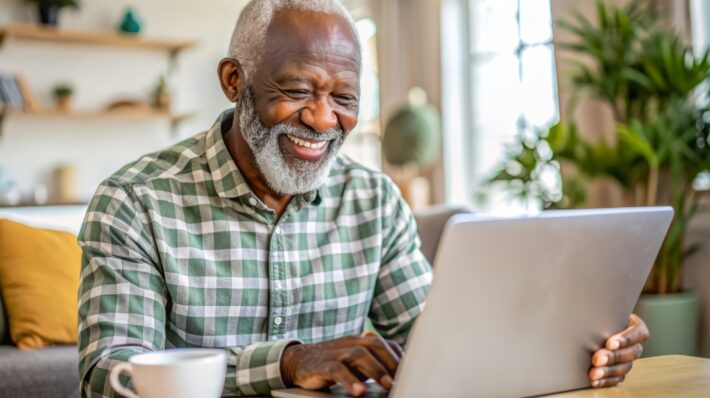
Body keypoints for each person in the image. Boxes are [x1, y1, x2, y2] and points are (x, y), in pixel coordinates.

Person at [77, 0, 649, 396]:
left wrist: (587, 347)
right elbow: (107, 376)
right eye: (297, 90)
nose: (323, 120)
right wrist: (288, 362)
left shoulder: (374, 201)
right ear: (234, 80)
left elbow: (436, 342)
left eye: (344, 98)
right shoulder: (135, 201)